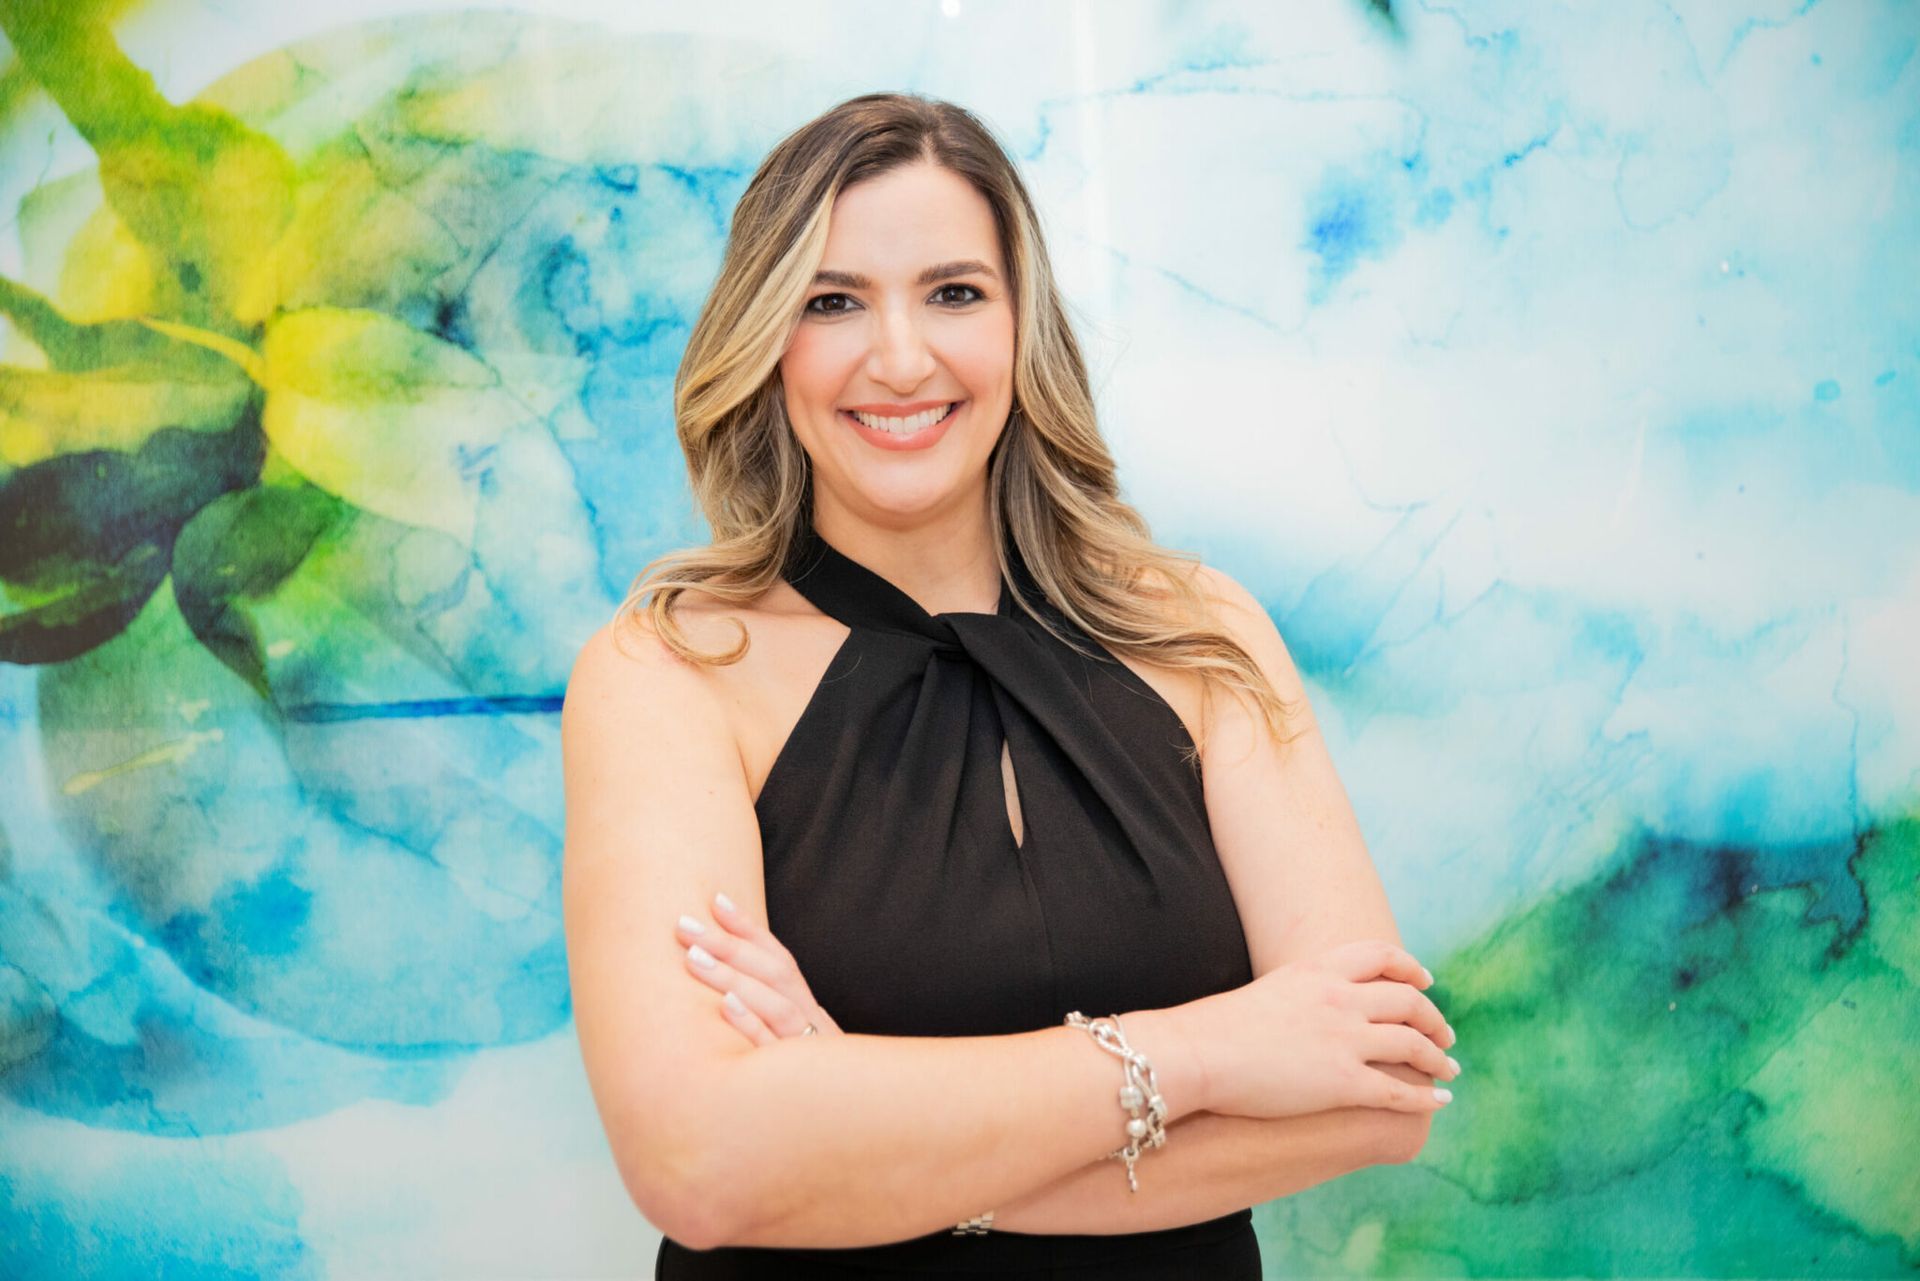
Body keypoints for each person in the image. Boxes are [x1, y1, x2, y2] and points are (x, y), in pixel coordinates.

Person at [560, 92, 1459, 1279]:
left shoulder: (1197, 631)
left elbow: (1381, 1092)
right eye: (833, 302)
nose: (899, 357)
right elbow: (701, 1166)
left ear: (1022, 323)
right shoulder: (670, 671)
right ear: (768, 340)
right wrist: (1202, 1056)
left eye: (953, 292)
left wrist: (866, 1140)